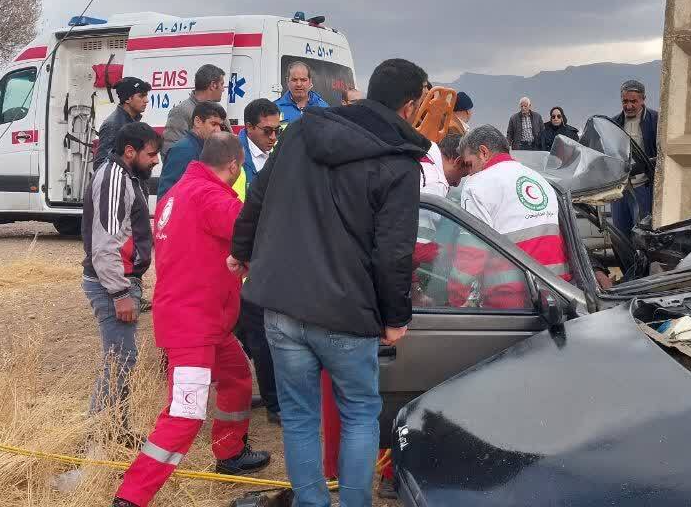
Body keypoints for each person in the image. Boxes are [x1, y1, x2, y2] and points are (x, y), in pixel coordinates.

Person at [229, 58, 430, 507]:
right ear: (411, 104)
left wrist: (241, 251)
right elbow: (394, 251)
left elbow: (259, 194)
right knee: (359, 415)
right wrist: (396, 316)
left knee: (300, 419)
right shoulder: (398, 162)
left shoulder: (301, 132)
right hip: (345, 312)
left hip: (282, 304)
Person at [112, 133, 271, 507]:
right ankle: (131, 497)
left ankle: (229, 453)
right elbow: (251, 234)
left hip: (203, 319)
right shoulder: (212, 198)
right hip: (195, 325)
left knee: (235, 377)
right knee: (184, 414)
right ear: (233, 166)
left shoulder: (178, 193)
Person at [82, 122, 160, 441]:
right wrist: (118, 292)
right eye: (151, 154)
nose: (156, 161)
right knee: (119, 361)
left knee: (122, 360)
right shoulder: (115, 178)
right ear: (130, 152)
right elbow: (105, 244)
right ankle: (99, 438)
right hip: (112, 284)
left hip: (122, 281)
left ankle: (116, 432)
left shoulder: (127, 176)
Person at [452, 126, 572, 307]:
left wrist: (455, 297)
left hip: (511, 300)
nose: (469, 172)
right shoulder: (539, 180)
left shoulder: (477, 184)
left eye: (469, 164)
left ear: (483, 152)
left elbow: (471, 252)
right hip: (556, 295)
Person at [231, 98, 284, 424]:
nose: (273, 136)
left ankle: (272, 396)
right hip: (241, 261)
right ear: (248, 128)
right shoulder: (234, 161)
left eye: (277, 130)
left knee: (259, 335)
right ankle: (274, 400)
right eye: (267, 131)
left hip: (263, 262)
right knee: (251, 334)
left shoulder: (278, 155)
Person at [610, 79, 660, 238]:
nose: (629, 106)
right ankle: (626, 264)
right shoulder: (614, 122)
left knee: (642, 235)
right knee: (620, 234)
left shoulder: (656, 120)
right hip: (620, 191)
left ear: (643, 99)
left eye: (633, 101)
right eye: (625, 101)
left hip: (643, 189)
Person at [156, 101, 228, 199]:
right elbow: (167, 195)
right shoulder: (183, 150)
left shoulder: (203, 148)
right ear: (197, 121)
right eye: (213, 124)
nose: (218, 130)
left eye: (220, 126)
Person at [162, 64, 226, 157]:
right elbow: (170, 151)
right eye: (222, 84)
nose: (223, 89)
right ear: (213, 85)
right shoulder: (181, 111)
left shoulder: (219, 111)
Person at [95, 77, 152, 169]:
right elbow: (101, 164)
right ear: (127, 99)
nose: (146, 100)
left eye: (146, 96)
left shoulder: (131, 121)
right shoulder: (113, 125)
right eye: (141, 96)